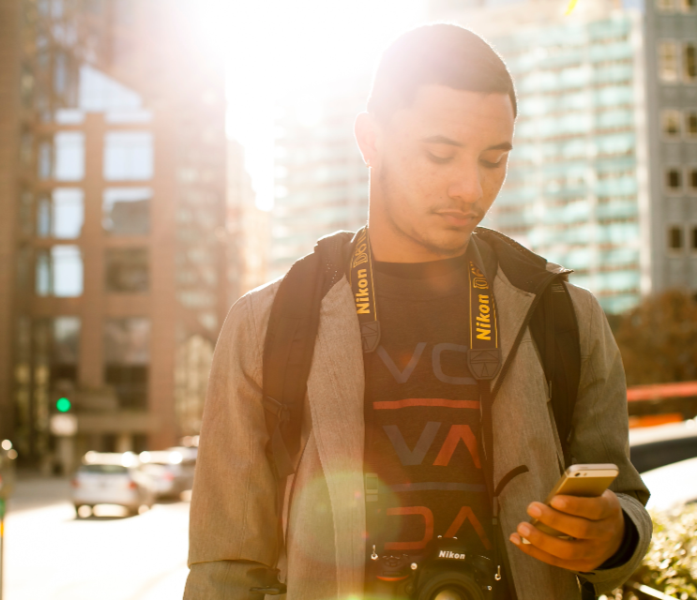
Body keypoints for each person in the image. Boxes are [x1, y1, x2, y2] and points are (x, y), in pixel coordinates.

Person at [184, 24, 651, 600]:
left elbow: (625, 502)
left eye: (493, 160)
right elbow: (224, 567)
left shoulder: (567, 317)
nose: (470, 189)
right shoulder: (266, 324)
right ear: (370, 140)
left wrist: (616, 536)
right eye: (440, 153)